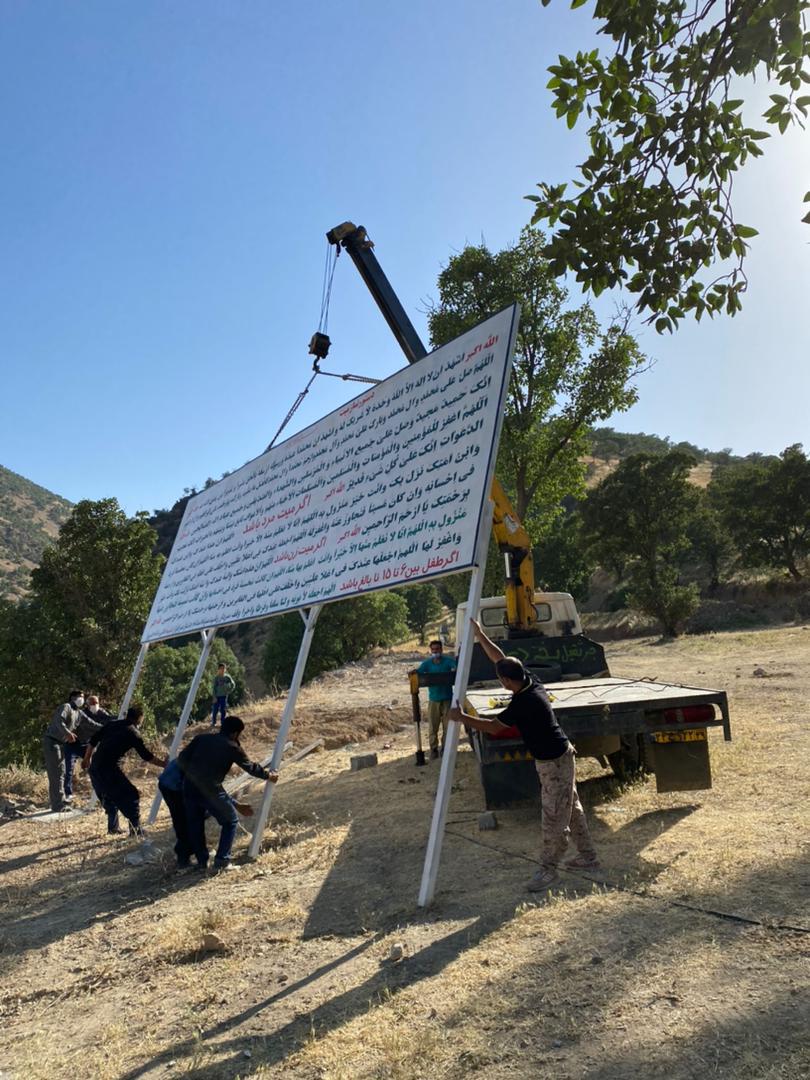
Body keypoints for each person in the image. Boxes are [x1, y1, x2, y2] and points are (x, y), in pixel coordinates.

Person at [448, 619, 599, 893]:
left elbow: (493, 727)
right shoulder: (530, 681)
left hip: (554, 762)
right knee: (571, 808)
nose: (500, 681)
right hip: (560, 757)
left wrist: (462, 718)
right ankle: (588, 857)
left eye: (500, 679)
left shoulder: (523, 702)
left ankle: (548, 870)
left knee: (553, 817)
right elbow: (501, 658)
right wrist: (481, 635)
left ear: (506, 681)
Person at [178, 714, 277, 872]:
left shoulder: (201, 739)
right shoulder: (232, 746)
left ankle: (202, 862)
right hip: (211, 790)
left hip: (189, 788)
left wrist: (189, 776)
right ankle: (222, 861)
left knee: (195, 825)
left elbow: (181, 759)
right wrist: (268, 776)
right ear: (235, 733)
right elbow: (249, 767)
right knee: (230, 821)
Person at [82, 705, 168, 838]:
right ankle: (136, 829)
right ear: (140, 718)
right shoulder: (133, 733)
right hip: (108, 769)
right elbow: (146, 756)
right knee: (132, 795)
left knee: (108, 797)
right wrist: (164, 764)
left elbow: (93, 741)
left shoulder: (112, 724)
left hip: (94, 768)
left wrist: (86, 759)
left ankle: (113, 828)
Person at [64, 694, 116, 803]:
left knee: (95, 767)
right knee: (68, 768)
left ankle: (99, 792)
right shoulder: (82, 714)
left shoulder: (101, 712)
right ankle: (68, 794)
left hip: (86, 745)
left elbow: (109, 719)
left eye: (96, 703)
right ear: (87, 705)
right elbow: (91, 725)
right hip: (72, 744)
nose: (95, 705)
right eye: (92, 703)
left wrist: (120, 719)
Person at [42, 690, 85, 812]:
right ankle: (57, 805)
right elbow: (58, 721)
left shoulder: (78, 712)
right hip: (52, 742)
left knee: (61, 772)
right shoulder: (66, 707)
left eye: (82, 697)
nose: (81, 699)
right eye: (78, 697)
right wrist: (68, 733)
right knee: (56, 773)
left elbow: (89, 724)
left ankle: (60, 800)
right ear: (72, 698)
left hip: (60, 744)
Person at [416, 641, 457, 759]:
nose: (435, 651)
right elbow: (418, 672)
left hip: (447, 699)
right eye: (433, 649)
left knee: (448, 726)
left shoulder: (447, 661)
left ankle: (445, 748)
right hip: (434, 700)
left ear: (441, 650)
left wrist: (454, 670)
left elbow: (456, 667)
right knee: (433, 727)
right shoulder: (427, 664)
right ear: (430, 650)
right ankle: (433, 749)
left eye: (437, 649)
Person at [157, 758, 194, 869]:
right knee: (184, 820)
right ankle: (183, 858)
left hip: (168, 781)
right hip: (173, 785)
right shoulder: (207, 755)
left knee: (184, 818)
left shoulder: (204, 745)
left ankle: (184, 854)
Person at [210, 663, 236, 727]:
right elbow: (214, 688)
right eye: (221, 668)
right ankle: (213, 722)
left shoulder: (227, 677)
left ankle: (223, 722)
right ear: (218, 669)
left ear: (225, 669)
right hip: (217, 696)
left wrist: (229, 690)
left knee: (223, 709)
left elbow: (233, 684)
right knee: (215, 710)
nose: (222, 670)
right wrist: (214, 697)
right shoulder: (216, 678)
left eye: (224, 668)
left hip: (224, 696)